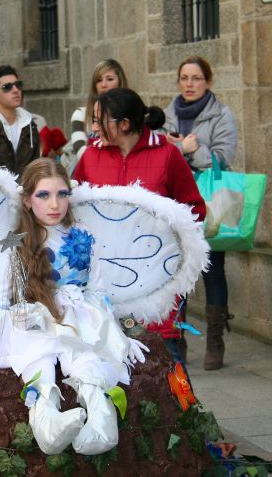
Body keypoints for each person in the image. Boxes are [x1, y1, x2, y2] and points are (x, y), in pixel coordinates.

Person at [0, 158, 148, 455]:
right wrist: (18, 318)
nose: (54, 204)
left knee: (81, 350)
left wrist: (95, 315)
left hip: (76, 319)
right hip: (31, 323)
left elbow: (97, 289)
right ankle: (46, 419)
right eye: (43, 195)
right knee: (39, 353)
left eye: (62, 194)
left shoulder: (82, 238)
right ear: (27, 201)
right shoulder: (14, 245)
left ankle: (99, 416)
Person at [72, 88, 206, 363]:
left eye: (100, 121)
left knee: (165, 357)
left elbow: (193, 209)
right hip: (103, 278)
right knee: (109, 357)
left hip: (156, 276)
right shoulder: (90, 156)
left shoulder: (167, 154)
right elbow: (74, 208)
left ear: (124, 124)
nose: (94, 127)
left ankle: (183, 407)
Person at [163, 56, 238, 371]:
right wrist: (177, 149)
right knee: (177, 271)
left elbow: (224, 158)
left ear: (207, 81)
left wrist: (195, 150)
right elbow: (159, 151)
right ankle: (176, 336)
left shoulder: (221, 114)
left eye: (195, 78)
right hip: (175, 202)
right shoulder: (168, 115)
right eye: (184, 78)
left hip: (209, 202)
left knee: (213, 270)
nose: (189, 84)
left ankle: (215, 339)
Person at [66, 59, 128, 173]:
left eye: (109, 79)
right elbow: (81, 152)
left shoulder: (130, 114)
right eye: (99, 80)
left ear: (120, 82)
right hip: (90, 173)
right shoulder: (81, 114)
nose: (103, 85)